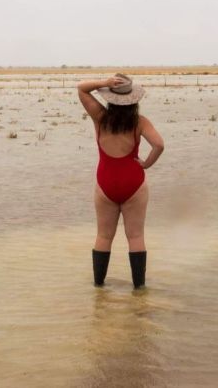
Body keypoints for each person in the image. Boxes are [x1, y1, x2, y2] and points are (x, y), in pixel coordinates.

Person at [77, 74, 164, 289]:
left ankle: (98, 287)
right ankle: (139, 289)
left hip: (106, 182)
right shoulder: (140, 122)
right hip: (133, 182)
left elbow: (81, 89)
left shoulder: (100, 117)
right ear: (133, 100)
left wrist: (103, 83)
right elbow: (159, 145)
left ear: (110, 98)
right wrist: (146, 164)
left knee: (104, 236)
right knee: (135, 236)